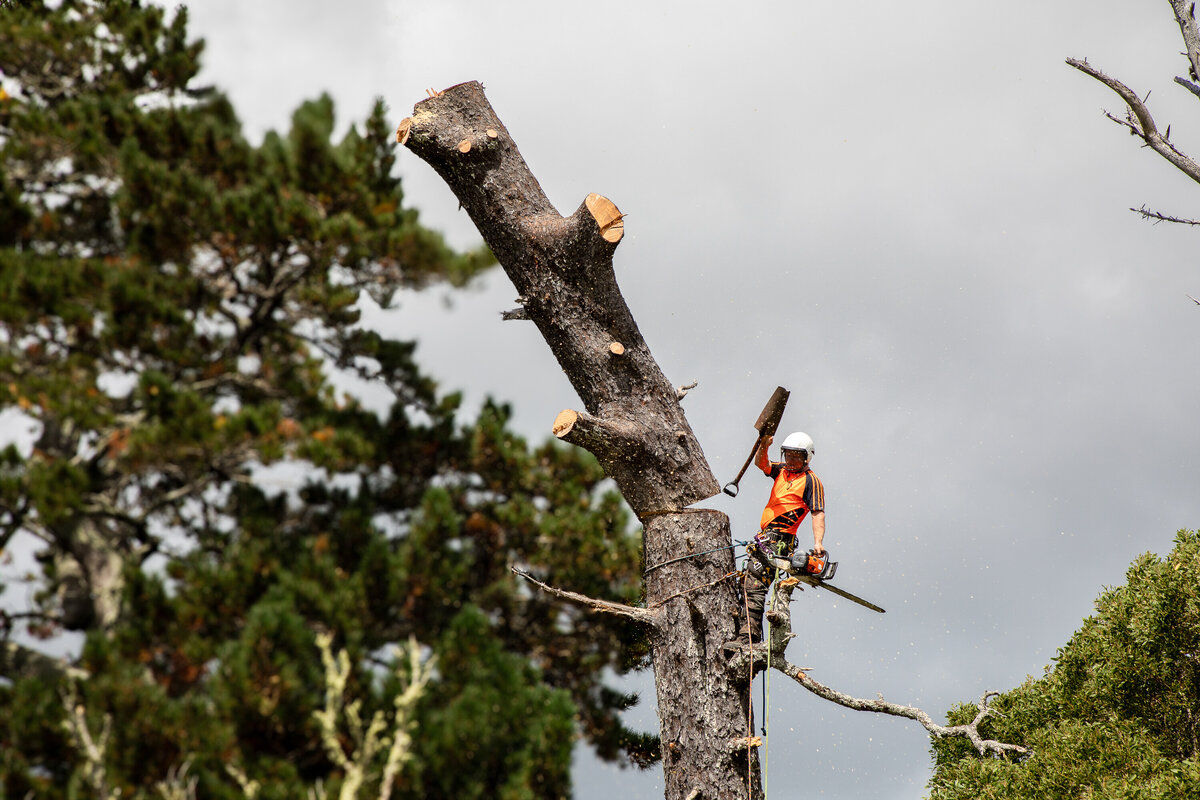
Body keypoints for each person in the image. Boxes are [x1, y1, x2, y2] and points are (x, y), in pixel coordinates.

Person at [730, 430, 825, 646]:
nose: (790, 460)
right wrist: (764, 444)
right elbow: (761, 464)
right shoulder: (782, 471)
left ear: (806, 458)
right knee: (747, 581)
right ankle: (743, 632)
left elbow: (817, 512)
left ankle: (748, 638)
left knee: (755, 583)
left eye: (795, 456)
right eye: (788, 455)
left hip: (781, 539)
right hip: (766, 536)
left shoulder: (811, 481)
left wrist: (818, 542)